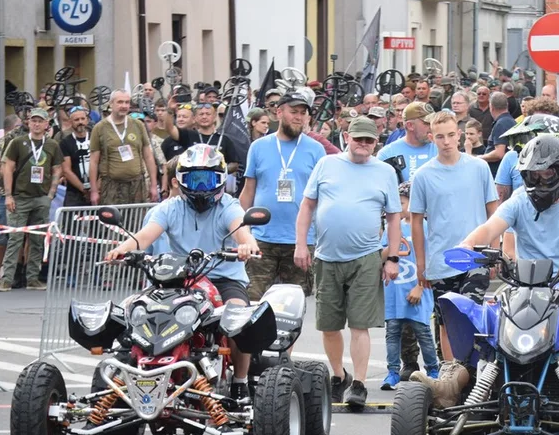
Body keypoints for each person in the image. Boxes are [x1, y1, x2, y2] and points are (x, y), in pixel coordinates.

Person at [419, 136, 559, 410]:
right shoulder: (518, 201)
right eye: (532, 174)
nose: (538, 181)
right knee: (484, 318)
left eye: (546, 172)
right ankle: (456, 383)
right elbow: (491, 227)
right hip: (523, 284)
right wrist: (466, 244)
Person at [103, 145, 260, 401]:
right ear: (179, 181)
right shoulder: (170, 207)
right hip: (179, 280)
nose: (200, 186)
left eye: (207, 179)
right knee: (133, 312)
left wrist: (247, 245)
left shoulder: (229, 206)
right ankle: (134, 372)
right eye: (193, 179)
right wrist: (121, 250)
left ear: (220, 180)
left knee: (238, 317)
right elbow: (145, 236)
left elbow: (242, 230)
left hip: (223, 279)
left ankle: (240, 382)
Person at [295, 116, 402, 408]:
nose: (363, 145)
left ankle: (359, 384)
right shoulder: (326, 164)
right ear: (346, 137)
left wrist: (392, 258)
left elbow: (394, 218)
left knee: (359, 325)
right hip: (326, 257)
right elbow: (307, 205)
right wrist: (301, 244)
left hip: (366, 257)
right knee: (329, 326)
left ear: (375, 142)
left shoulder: (384, 172)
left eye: (369, 140)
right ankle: (339, 375)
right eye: (359, 139)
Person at [408, 110, 498, 377]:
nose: (446, 141)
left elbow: (493, 210)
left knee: (469, 311)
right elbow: (416, 221)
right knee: (447, 319)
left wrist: (494, 251)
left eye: (450, 135)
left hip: (476, 256)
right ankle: (452, 375)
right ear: (432, 138)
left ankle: (471, 370)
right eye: (440, 136)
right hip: (441, 258)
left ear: (458, 134)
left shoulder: (479, 167)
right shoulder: (424, 175)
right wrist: (420, 263)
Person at [239, 86, 325, 301]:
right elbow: (248, 192)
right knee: (252, 302)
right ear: (279, 112)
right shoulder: (258, 147)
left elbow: (323, 198)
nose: (299, 118)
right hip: (261, 239)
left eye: (303, 113)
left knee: (292, 308)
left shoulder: (316, 149)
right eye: (293, 112)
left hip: (300, 240)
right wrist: (243, 234)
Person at [381, 182, 440, 390]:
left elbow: (431, 259)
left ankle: (433, 370)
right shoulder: (391, 227)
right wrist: (392, 243)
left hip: (416, 289)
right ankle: (392, 372)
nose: (398, 206)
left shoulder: (424, 226)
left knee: (422, 332)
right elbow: (382, 255)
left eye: (402, 202)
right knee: (392, 333)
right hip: (394, 291)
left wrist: (420, 287)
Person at [0, 109, 62, 292]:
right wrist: (9, 195)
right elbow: (7, 168)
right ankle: (7, 279)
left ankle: (32, 278)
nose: (36, 124)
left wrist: (51, 193)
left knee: (38, 239)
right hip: (20, 198)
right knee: (15, 239)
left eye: (40, 121)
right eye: (33, 120)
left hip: (41, 197)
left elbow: (57, 168)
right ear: (28, 123)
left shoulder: (51, 145)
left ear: (46, 124)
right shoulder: (18, 142)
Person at [89, 90, 160, 205]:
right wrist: (94, 191)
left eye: (127, 102)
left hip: (137, 184)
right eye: (120, 102)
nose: (124, 106)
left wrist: (153, 185)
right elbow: (93, 161)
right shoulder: (100, 128)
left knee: (137, 220)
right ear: (111, 104)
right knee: (112, 221)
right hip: (111, 185)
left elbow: (148, 157)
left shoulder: (138, 125)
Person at [376, 102, 437, 182]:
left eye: (433, 122)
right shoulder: (387, 154)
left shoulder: (441, 149)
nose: (432, 127)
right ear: (410, 125)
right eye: (427, 123)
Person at [59, 106, 93, 209]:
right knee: (70, 223)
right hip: (74, 191)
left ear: (87, 120)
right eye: (76, 120)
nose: (80, 122)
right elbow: (66, 170)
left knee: (97, 223)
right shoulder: (65, 142)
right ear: (70, 122)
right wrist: (83, 189)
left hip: (96, 189)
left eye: (82, 119)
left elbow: (102, 164)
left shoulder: (95, 138)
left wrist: (95, 188)